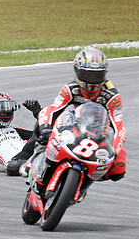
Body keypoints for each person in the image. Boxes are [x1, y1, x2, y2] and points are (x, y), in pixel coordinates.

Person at [22, 47, 127, 182]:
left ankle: (85, 180)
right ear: (77, 71)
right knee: (45, 125)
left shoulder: (112, 96)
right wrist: (45, 127)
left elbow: (119, 128)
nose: (92, 81)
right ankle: (36, 157)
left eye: (97, 75)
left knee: (118, 170)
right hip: (77, 123)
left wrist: (114, 151)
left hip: (101, 131)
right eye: (87, 75)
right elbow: (53, 109)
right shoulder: (70, 88)